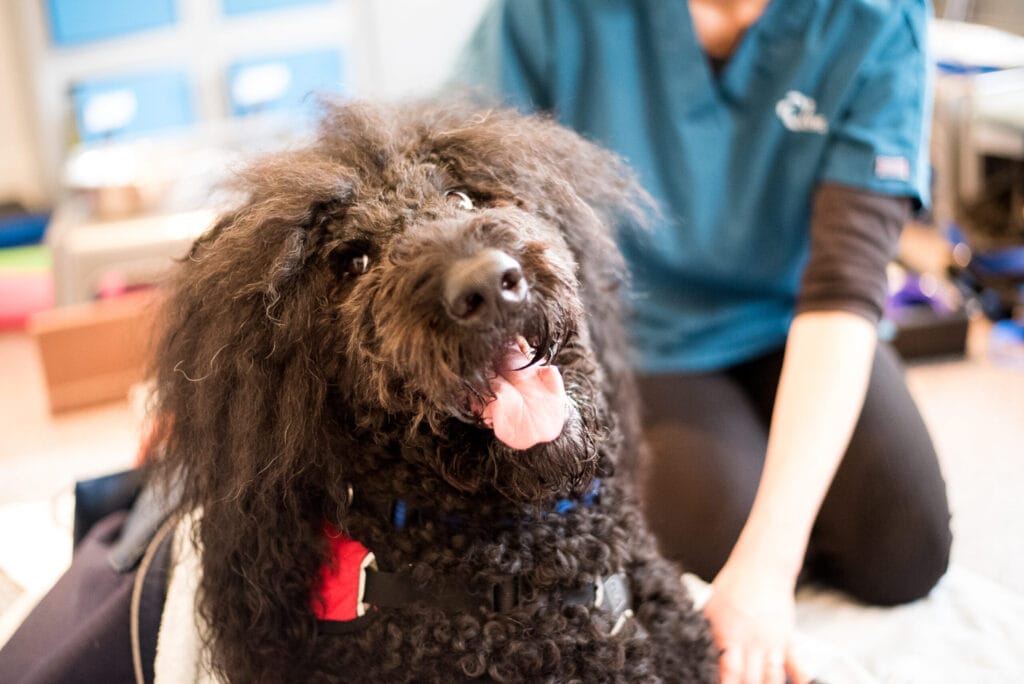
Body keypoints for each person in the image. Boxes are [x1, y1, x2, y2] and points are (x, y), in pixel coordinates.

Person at [458, 0, 953, 681]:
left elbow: (846, 286)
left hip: (797, 316)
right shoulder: (547, 15)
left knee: (905, 553)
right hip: (640, 330)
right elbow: (472, 187)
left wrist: (771, 563)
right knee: (718, 523)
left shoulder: (875, 19)